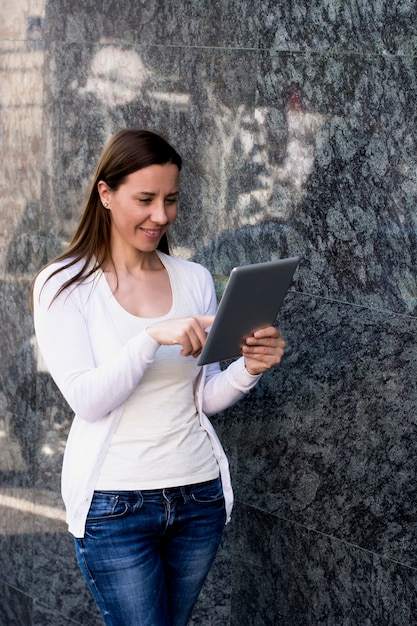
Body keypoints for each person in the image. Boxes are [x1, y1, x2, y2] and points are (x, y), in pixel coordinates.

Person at [31, 129, 286, 626]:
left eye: (170, 200)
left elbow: (203, 396)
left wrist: (249, 369)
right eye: (145, 199)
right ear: (105, 194)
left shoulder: (193, 279)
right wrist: (151, 338)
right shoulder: (63, 285)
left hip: (198, 496)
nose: (161, 216)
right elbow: (87, 399)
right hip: (114, 506)